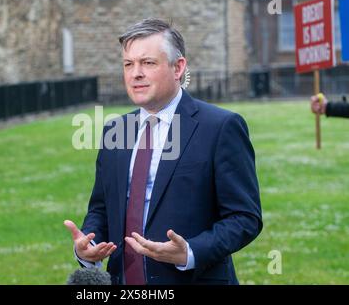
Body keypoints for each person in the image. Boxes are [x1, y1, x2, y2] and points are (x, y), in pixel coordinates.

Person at [64, 18, 262, 285]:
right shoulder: (115, 130)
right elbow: (101, 208)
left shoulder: (220, 126)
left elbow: (245, 218)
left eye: (148, 63)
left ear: (178, 67)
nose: (135, 73)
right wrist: (89, 244)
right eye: (128, 64)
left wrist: (190, 252)